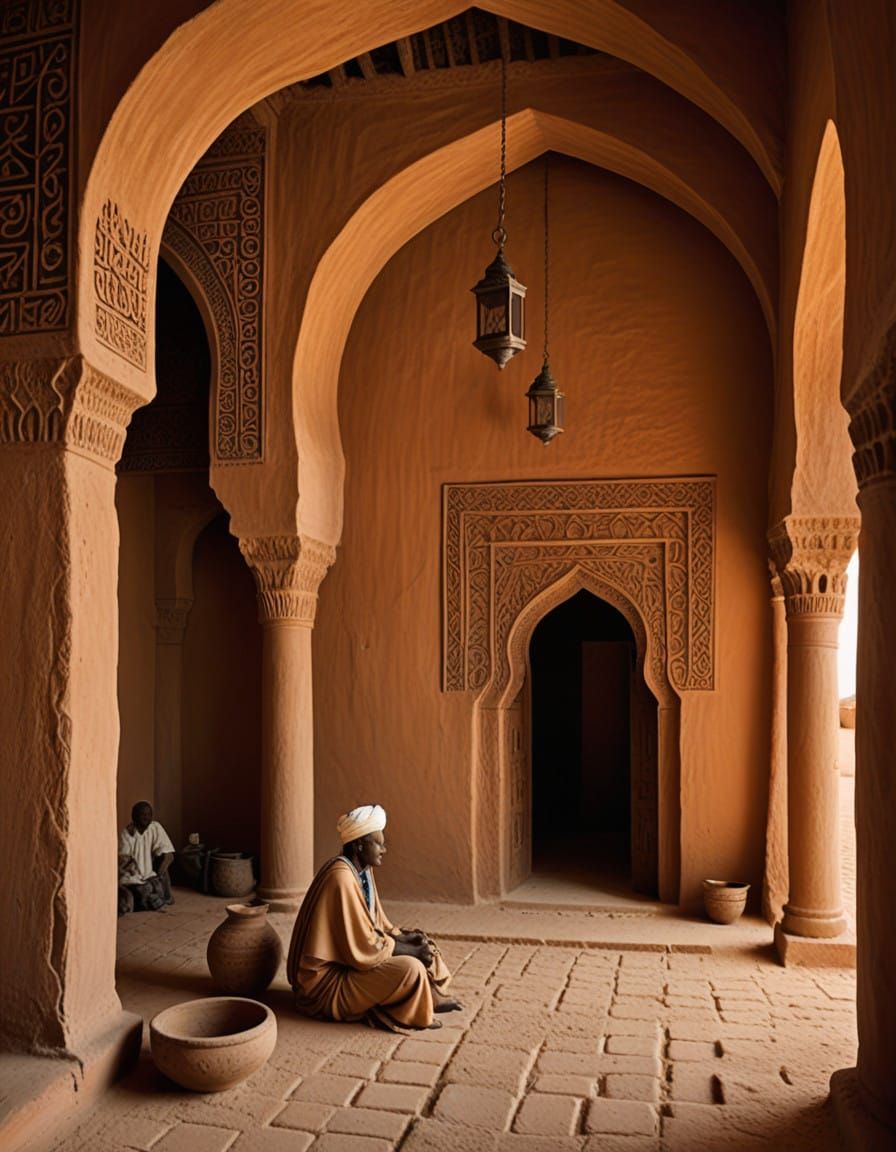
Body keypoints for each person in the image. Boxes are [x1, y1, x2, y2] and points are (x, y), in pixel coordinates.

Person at [287, 804, 462, 1031]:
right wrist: (409, 951)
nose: (384, 849)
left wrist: (408, 940)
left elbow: (377, 924)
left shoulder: (362, 871)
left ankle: (429, 995)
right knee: (411, 968)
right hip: (326, 983)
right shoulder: (341, 878)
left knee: (422, 942)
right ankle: (418, 1005)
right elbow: (363, 948)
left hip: (355, 959)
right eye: (378, 843)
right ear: (359, 845)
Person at [118, 801, 175, 914]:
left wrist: (160, 872)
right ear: (134, 817)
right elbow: (125, 863)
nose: (147, 818)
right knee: (145, 890)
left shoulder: (155, 827)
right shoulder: (126, 834)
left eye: (149, 814)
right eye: (143, 815)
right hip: (132, 878)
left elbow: (169, 855)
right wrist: (139, 875)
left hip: (149, 875)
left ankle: (154, 899)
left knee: (158, 888)